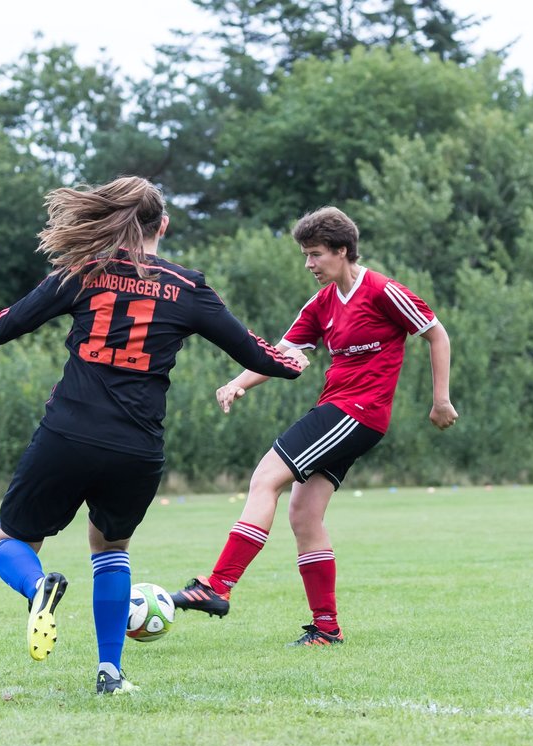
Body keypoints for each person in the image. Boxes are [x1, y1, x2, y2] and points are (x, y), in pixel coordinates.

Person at [0, 176, 307, 695]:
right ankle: (110, 672)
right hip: (137, 448)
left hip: (68, 433)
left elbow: (11, 321)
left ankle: (38, 586)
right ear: (163, 226)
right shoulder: (188, 287)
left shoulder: (86, 272)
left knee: (10, 541)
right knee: (111, 549)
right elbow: (257, 353)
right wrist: (293, 360)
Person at [171, 206, 458, 646]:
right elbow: (283, 354)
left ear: (343, 251)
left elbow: (436, 333)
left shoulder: (383, 291)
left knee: (265, 478)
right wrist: (239, 382)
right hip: (342, 411)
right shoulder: (321, 303)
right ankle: (326, 628)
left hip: (356, 412)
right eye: (306, 255)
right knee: (304, 515)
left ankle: (217, 585)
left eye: (316, 254)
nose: (309, 264)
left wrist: (441, 400)